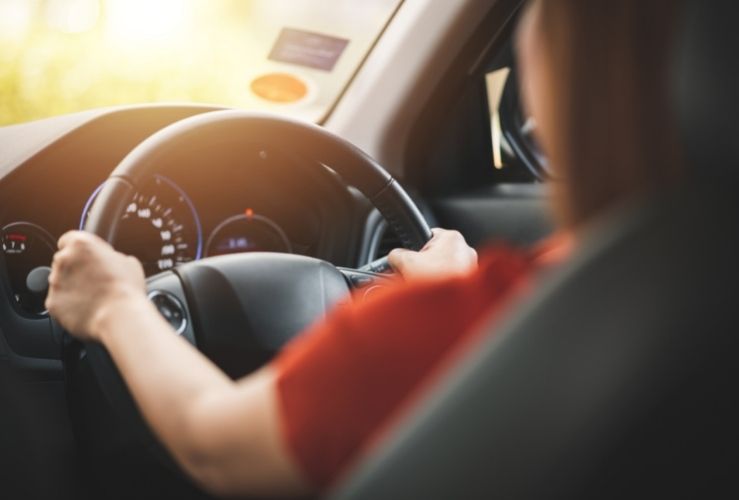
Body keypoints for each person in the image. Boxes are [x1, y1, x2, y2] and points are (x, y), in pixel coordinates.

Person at [45, 0, 681, 497]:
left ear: (584, 72)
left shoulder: (444, 325)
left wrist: (115, 305)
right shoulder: (674, 285)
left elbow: (216, 447)